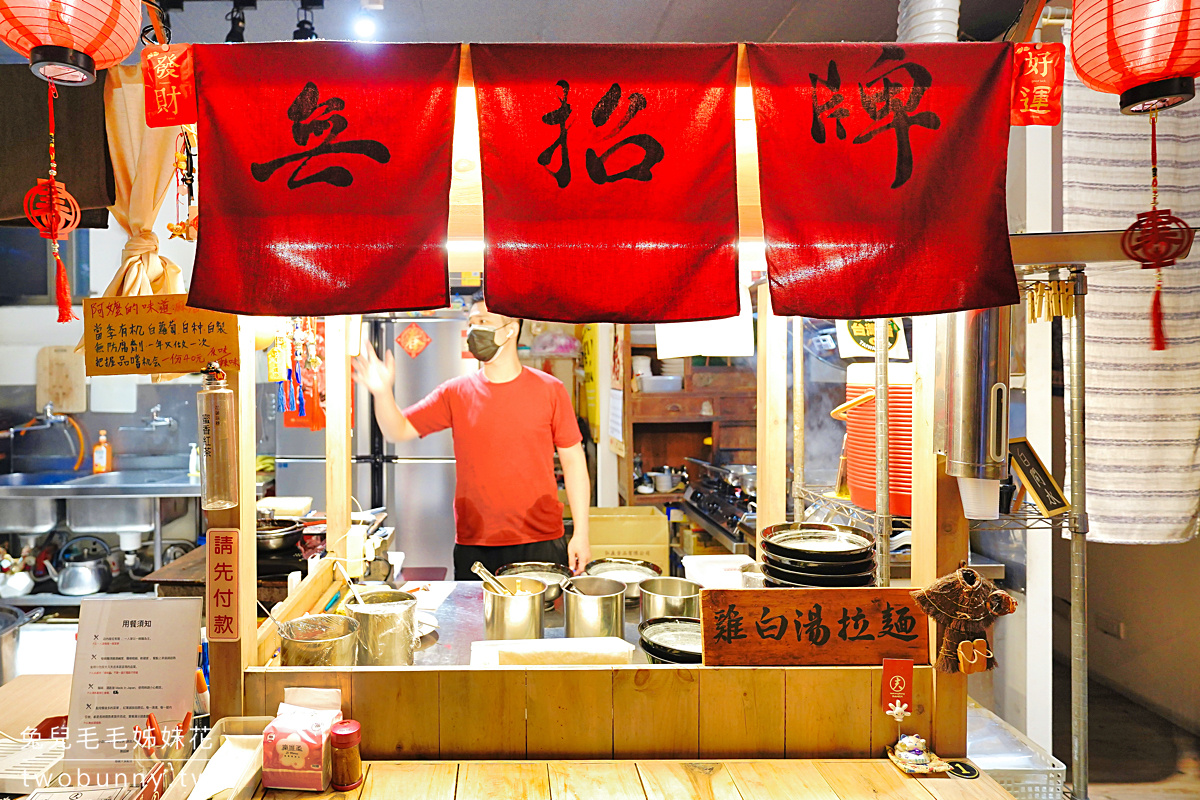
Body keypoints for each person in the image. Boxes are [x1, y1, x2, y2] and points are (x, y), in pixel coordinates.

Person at [352, 294, 591, 579]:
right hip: (475, 544)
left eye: (484, 322)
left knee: (542, 624)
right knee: (474, 624)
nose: (475, 330)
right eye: (472, 323)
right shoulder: (455, 392)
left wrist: (581, 533)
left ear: (511, 329)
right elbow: (397, 430)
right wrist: (382, 394)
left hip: (540, 541)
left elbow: (574, 462)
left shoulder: (551, 390)